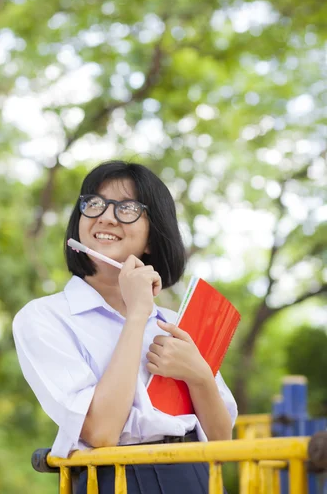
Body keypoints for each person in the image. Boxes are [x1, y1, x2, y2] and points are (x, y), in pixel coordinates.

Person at [13, 160, 237, 493]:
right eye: (94, 204)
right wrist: (136, 315)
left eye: (127, 208)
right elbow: (101, 431)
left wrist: (200, 376)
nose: (105, 216)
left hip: (193, 475)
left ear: (151, 238)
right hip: (111, 479)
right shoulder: (43, 317)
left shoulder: (175, 324)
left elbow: (222, 441)